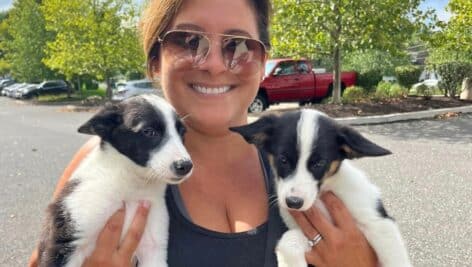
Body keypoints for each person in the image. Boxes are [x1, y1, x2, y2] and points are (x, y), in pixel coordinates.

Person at [28, 0, 378, 266]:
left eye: (239, 46)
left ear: (262, 61)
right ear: (154, 61)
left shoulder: (310, 156)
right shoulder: (105, 161)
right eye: (189, 41)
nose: (213, 64)